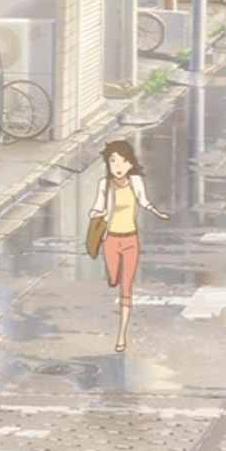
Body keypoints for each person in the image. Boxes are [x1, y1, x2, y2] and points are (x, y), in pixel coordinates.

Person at [88, 139, 169, 352]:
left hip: (130, 240)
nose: (117, 166)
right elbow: (97, 206)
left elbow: (143, 201)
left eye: (122, 162)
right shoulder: (104, 184)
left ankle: (121, 336)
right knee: (114, 278)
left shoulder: (135, 182)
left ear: (130, 164)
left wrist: (157, 212)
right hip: (111, 240)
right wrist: (96, 214)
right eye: (113, 161)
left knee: (127, 288)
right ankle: (112, 275)